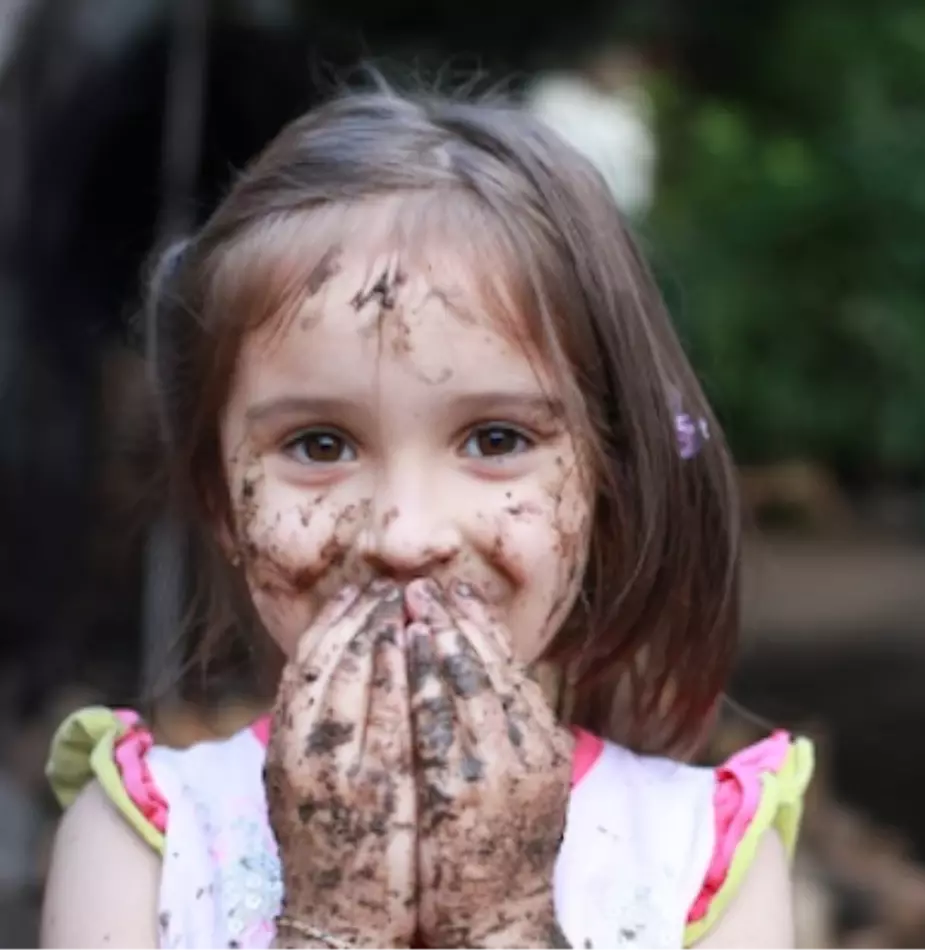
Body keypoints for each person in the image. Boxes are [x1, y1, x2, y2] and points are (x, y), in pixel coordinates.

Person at [39, 84, 813, 950]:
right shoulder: (140, 841)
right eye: (321, 445)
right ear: (224, 503)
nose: (405, 537)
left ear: (609, 485)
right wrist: (335, 923)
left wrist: (505, 922)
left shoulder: (699, 856)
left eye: (494, 437)